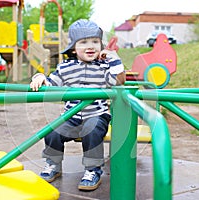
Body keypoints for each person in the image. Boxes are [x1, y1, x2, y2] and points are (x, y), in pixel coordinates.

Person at [30, 19, 125, 191]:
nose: (91, 46)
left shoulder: (104, 66)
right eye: (84, 42)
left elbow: (119, 82)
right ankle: (53, 165)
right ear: (74, 48)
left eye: (95, 42)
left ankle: (93, 170)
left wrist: (114, 59)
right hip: (71, 116)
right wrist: (40, 77)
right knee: (52, 131)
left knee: (92, 129)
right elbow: (52, 83)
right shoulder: (66, 67)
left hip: (97, 114)